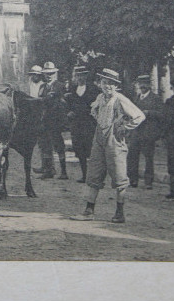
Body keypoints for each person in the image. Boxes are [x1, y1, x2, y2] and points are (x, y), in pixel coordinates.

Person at [81, 68, 145, 224]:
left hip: (114, 141)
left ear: (116, 86)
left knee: (119, 175)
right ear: (100, 84)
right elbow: (94, 110)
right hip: (99, 138)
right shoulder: (99, 97)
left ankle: (119, 212)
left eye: (111, 84)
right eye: (104, 83)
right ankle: (89, 210)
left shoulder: (120, 99)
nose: (107, 86)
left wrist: (125, 127)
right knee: (94, 173)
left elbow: (139, 115)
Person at [126, 74, 162, 189]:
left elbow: (161, 114)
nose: (143, 86)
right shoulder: (136, 98)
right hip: (136, 132)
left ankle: (148, 181)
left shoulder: (156, 98)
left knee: (148, 157)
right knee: (132, 156)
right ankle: (133, 180)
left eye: (145, 83)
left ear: (149, 85)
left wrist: (148, 113)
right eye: (141, 84)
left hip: (148, 132)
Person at [66, 65, 100, 183]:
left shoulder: (94, 89)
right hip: (76, 124)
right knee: (79, 149)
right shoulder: (72, 88)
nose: (80, 78)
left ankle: (93, 175)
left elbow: (98, 105)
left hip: (89, 123)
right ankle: (84, 175)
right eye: (78, 75)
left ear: (86, 76)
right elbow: (68, 104)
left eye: (82, 75)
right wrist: (69, 112)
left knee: (90, 148)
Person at [36, 61, 69, 180]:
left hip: (55, 121)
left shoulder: (60, 86)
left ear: (55, 73)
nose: (48, 75)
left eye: (51, 73)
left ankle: (64, 172)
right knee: (45, 146)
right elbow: (40, 101)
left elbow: (64, 103)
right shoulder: (42, 87)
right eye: (46, 73)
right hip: (44, 120)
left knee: (59, 146)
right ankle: (48, 170)